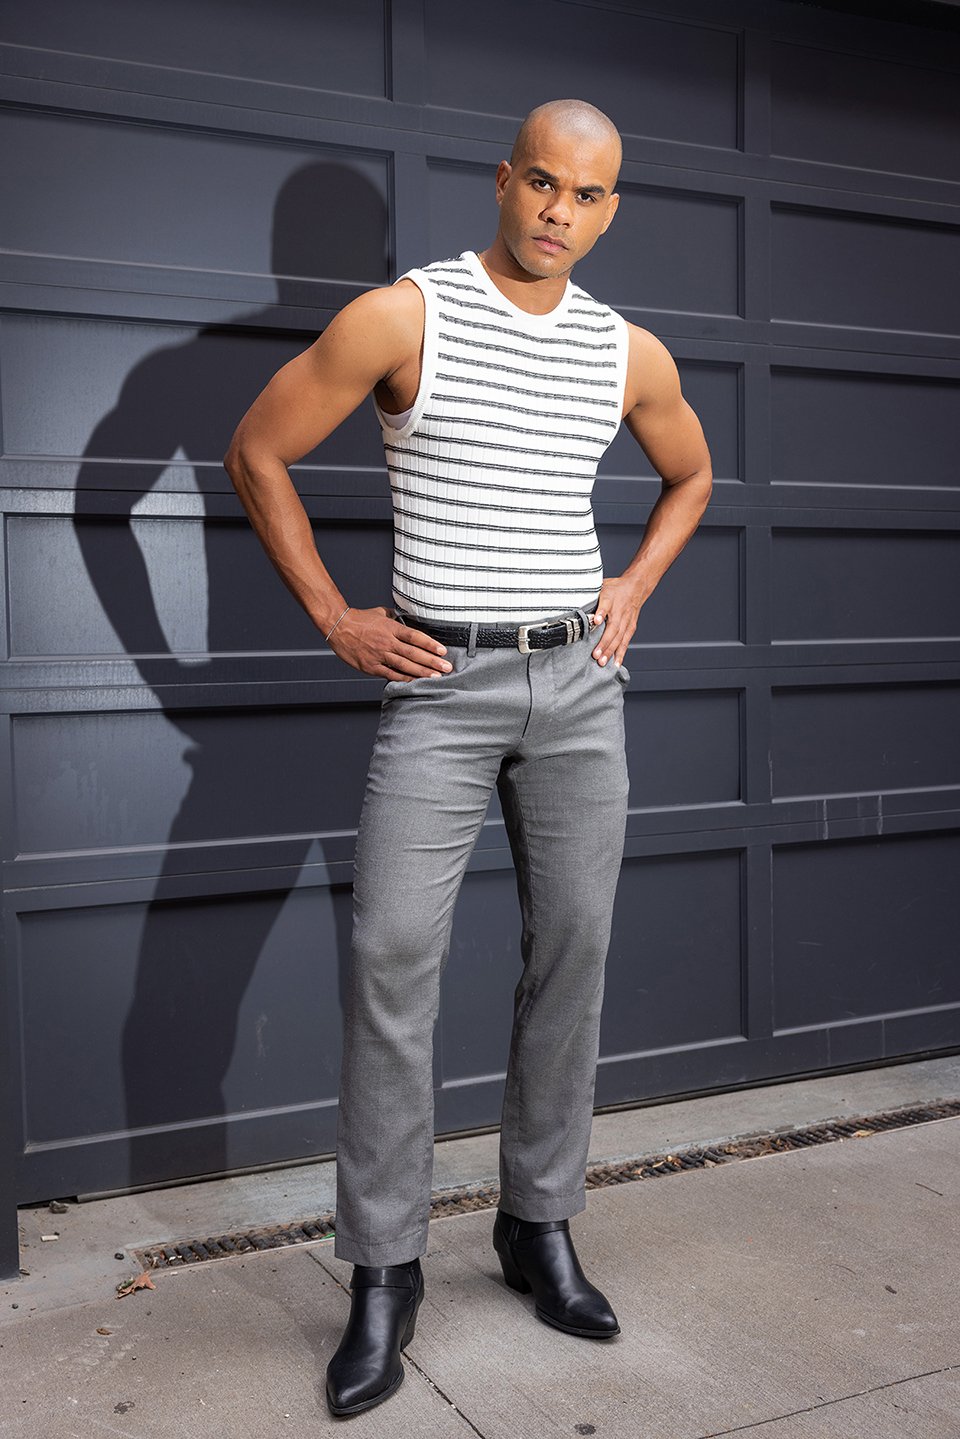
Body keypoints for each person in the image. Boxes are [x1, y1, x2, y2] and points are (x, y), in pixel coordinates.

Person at [224, 97, 712, 1418]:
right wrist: (335, 616)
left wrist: (633, 588)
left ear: (613, 209)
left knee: (574, 953)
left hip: (579, 687)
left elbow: (692, 475)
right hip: (439, 685)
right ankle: (385, 1268)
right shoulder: (404, 318)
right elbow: (258, 448)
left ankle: (537, 1225)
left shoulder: (625, 350)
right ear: (504, 181)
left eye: (588, 194)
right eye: (543, 182)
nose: (561, 211)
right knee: (393, 959)